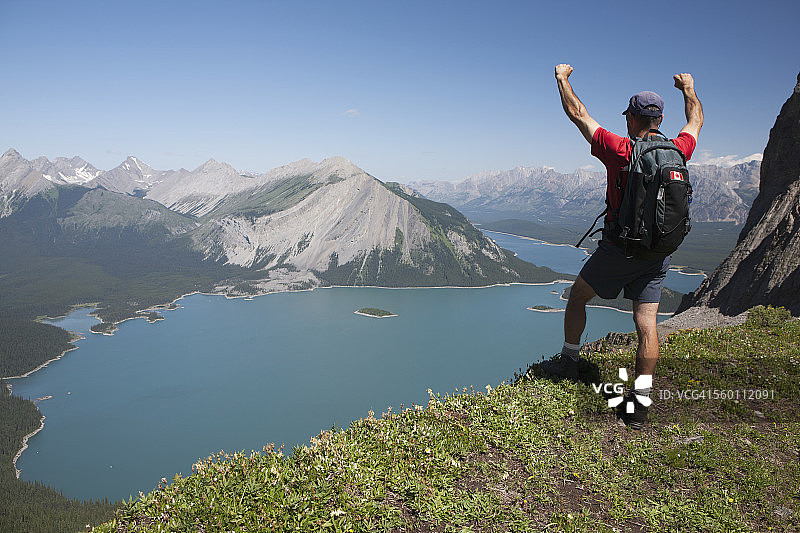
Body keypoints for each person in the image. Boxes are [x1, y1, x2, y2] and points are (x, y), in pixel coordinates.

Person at [540, 63, 704, 429]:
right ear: (660, 119)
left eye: (628, 115)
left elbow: (578, 114)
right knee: (647, 323)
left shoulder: (620, 149)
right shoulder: (679, 149)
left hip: (621, 249)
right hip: (660, 253)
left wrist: (562, 79)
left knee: (577, 296)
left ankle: (569, 360)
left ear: (632, 119)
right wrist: (688, 88)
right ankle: (640, 402)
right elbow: (695, 121)